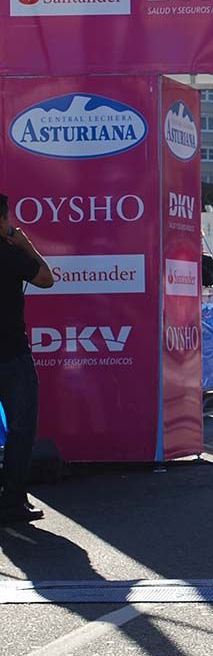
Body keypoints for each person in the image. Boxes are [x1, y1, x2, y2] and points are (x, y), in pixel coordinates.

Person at [0, 193, 54, 523]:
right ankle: (12, 500)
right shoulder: (9, 253)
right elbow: (46, 279)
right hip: (11, 354)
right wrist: (25, 244)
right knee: (21, 428)